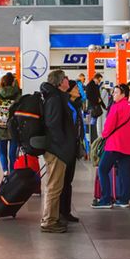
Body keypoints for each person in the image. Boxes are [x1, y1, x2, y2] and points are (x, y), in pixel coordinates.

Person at [94, 83, 130, 209]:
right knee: (125, 172)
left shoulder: (116, 107)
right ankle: (124, 199)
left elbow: (109, 126)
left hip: (114, 144)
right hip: (129, 146)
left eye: (116, 92)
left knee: (102, 169)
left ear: (123, 95)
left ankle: (106, 199)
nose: (113, 94)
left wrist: (104, 135)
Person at [39, 69, 78, 233]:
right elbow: (53, 124)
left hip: (58, 149)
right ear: (60, 82)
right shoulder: (55, 98)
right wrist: (63, 144)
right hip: (56, 150)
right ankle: (49, 221)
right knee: (54, 186)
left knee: (56, 185)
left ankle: (52, 218)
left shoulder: (55, 96)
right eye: (66, 79)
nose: (68, 82)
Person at [60, 81, 86, 224]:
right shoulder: (65, 105)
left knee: (68, 181)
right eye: (76, 88)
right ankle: (59, 211)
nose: (78, 90)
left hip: (74, 146)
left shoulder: (76, 105)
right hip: (65, 148)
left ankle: (66, 211)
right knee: (62, 181)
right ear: (69, 90)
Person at [0, 72, 21, 173]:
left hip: (1, 126)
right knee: (13, 153)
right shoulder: (18, 94)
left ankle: (5, 171)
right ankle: (12, 172)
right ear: (13, 82)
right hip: (15, 127)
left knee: (2, 152)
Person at [85, 73, 105, 143]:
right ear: (95, 78)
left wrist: (104, 106)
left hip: (93, 107)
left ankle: (93, 138)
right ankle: (92, 139)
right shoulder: (90, 86)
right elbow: (88, 96)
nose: (99, 82)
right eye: (99, 80)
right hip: (92, 108)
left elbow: (98, 97)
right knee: (91, 124)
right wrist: (97, 100)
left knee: (92, 124)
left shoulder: (95, 85)